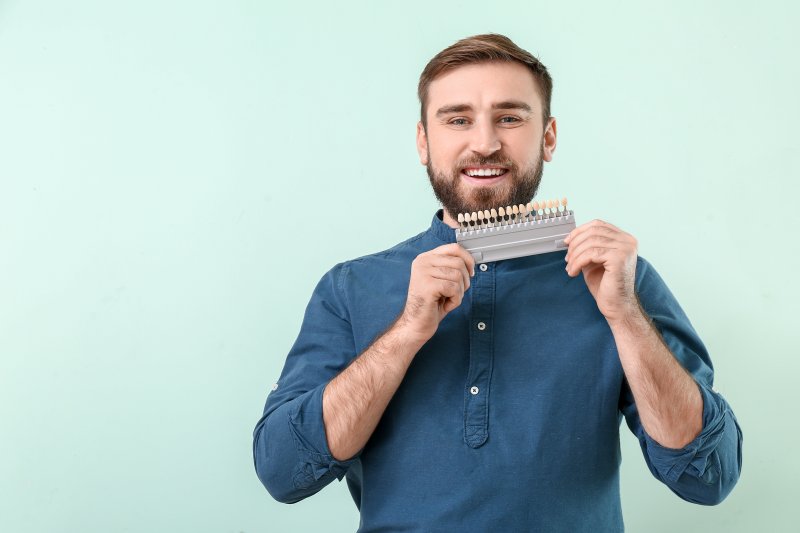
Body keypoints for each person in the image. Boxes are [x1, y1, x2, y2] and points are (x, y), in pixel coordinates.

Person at [252, 34, 743, 531]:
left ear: (548, 137)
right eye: (457, 119)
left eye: (510, 118)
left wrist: (626, 318)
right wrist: (405, 334)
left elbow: (708, 477)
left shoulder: (616, 280)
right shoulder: (351, 289)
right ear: (424, 140)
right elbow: (283, 473)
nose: (484, 143)